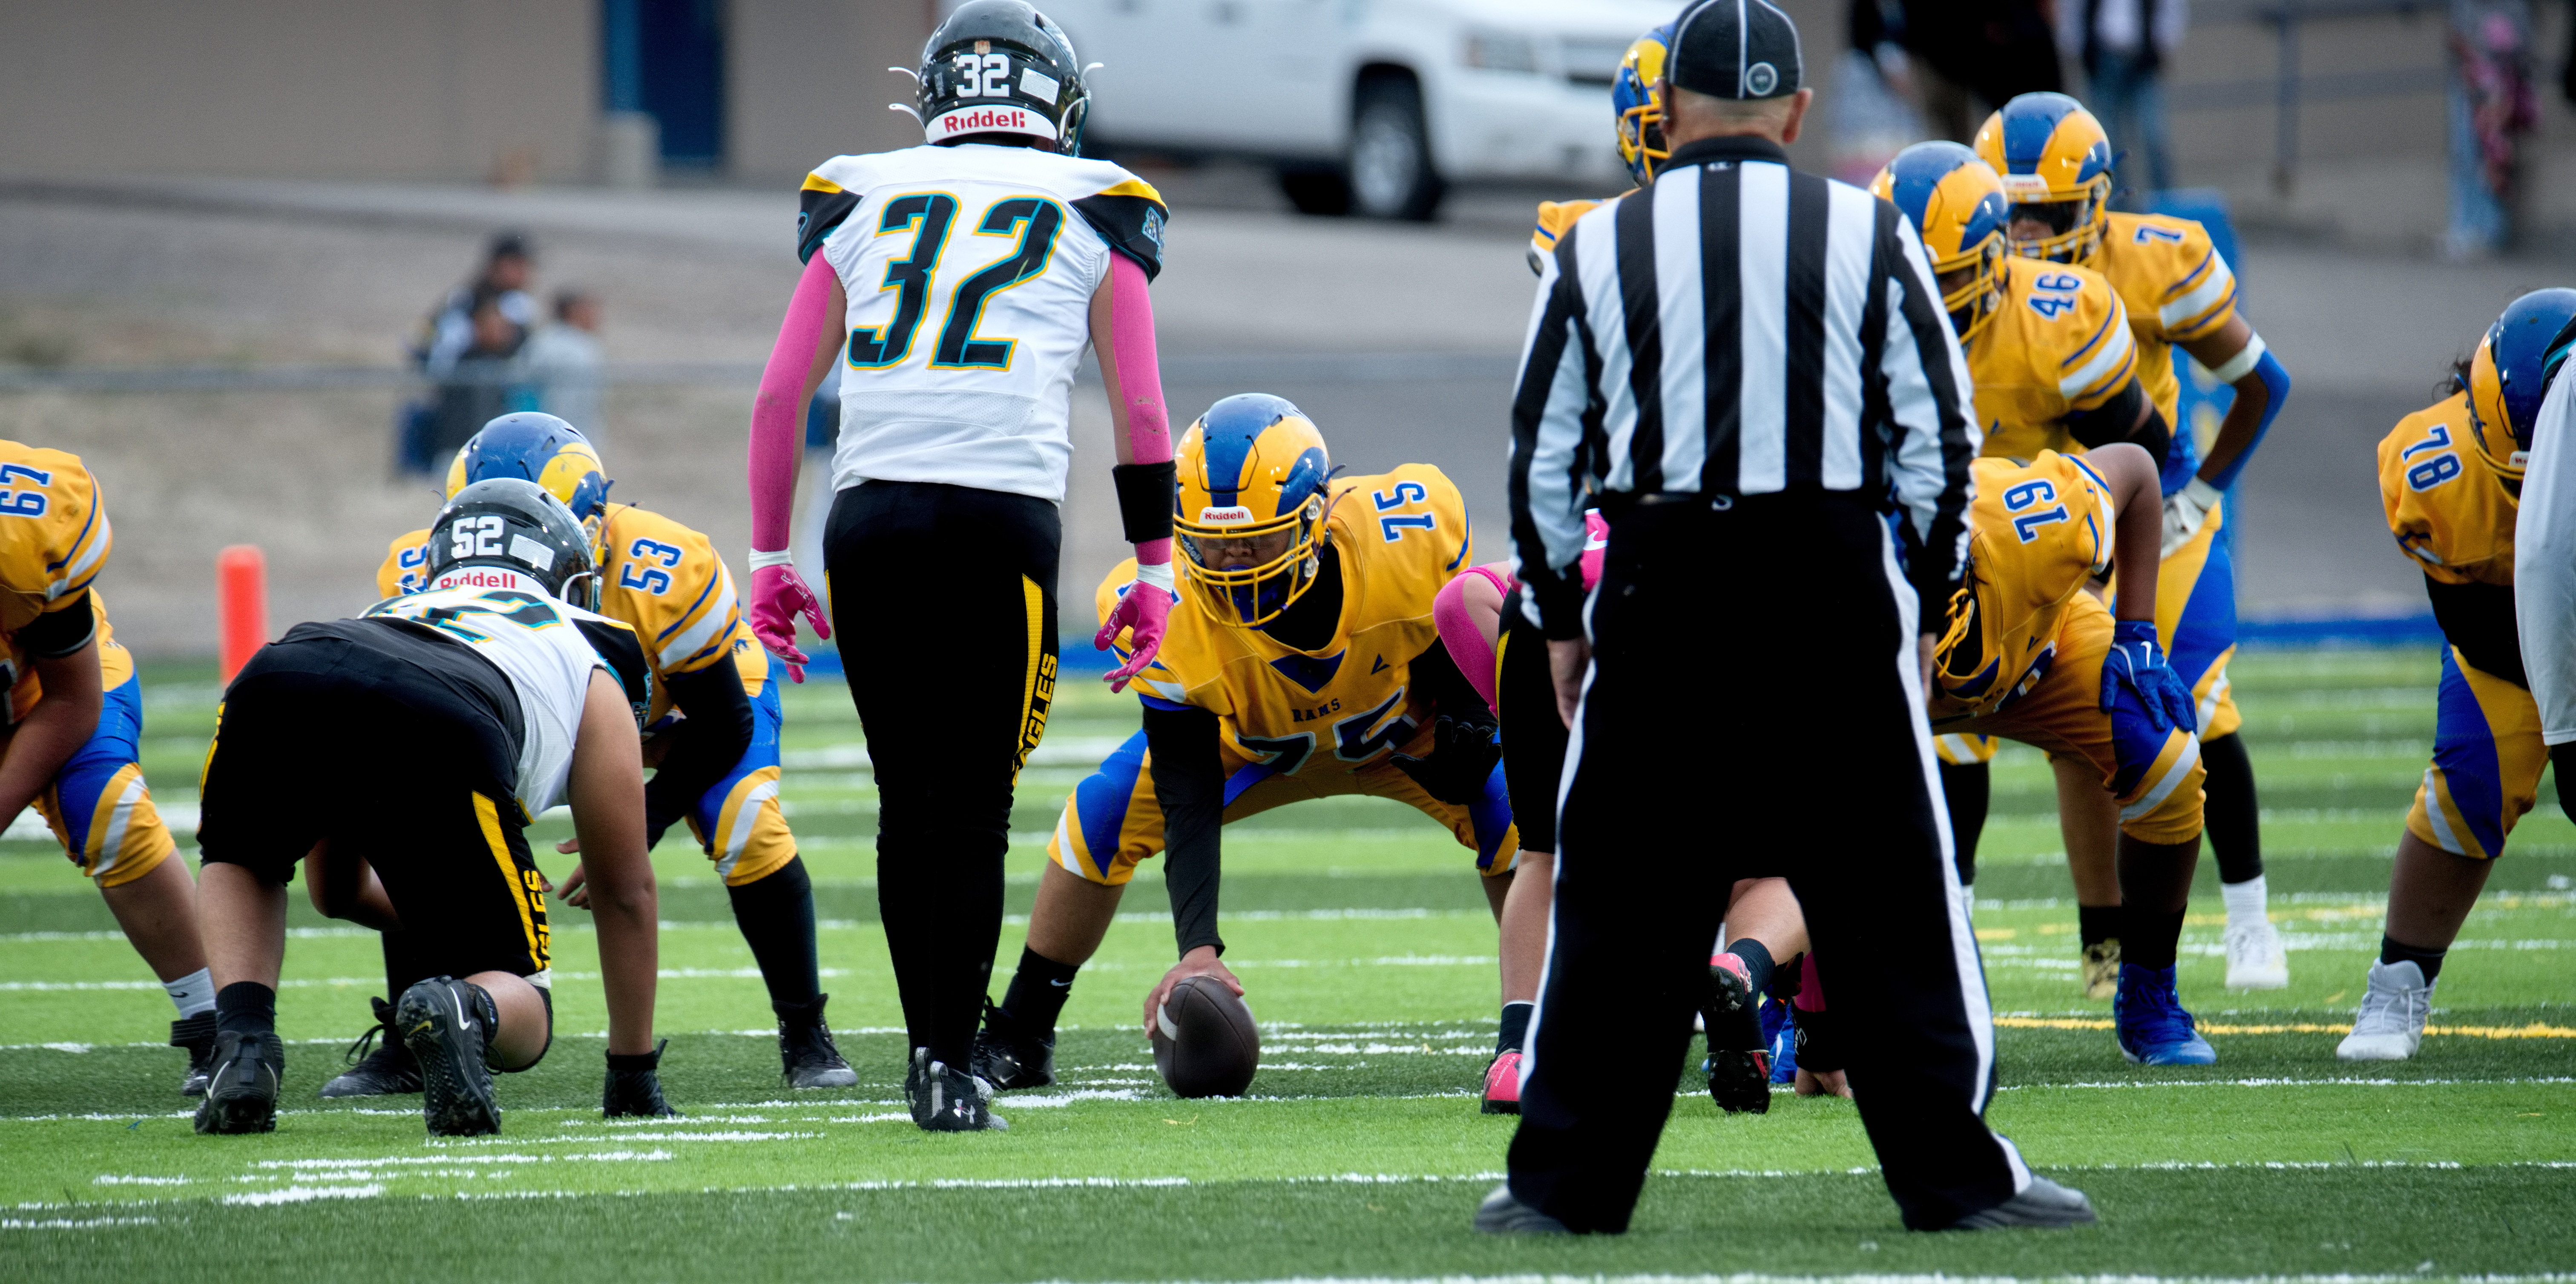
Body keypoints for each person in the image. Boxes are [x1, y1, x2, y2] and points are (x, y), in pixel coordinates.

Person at [1485, 0, 2090, 1235]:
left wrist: (1560, 617)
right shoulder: (1866, 229)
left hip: (1661, 574)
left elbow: (1542, 452)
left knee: (1620, 896)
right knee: (1894, 893)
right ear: (1799, 112)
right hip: (1826, 573)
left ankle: (1564, 1187)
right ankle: (1957, 1176)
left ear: (1669, 112)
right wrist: (1922, 598)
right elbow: (1940, 437)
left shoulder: (1600, 245)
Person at [741, 0, 1178, 1132]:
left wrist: (771, 554)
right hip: (1000, 521)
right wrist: (1156, 568)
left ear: (934, 98)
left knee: (908, 803)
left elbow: (782, 394)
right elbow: (1140, 411)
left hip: (869, 518)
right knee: (976, 806)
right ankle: (949, 1061)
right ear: (1055, 101)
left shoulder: (859, 191)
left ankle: (921, 1052)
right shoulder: (1098, 200)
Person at [972, 396, 1512, 1088]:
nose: (1232, 564)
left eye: (1255, 542)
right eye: (1211, 543)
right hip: (1247, 747)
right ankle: (1022, 1030)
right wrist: (1198, 947)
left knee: (1523, 806)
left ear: (1314, 520)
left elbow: (1451, 630)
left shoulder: (1402, 537)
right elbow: (1186, 779)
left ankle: (1543, 1022)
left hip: (1400, 732)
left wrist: (1471, 725)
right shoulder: (1167, 607)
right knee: (1098, 817)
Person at [341, 414, 856, 1097]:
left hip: (682, 708)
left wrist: (643, 818)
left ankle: (805, 1030)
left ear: (591, 523)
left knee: (745, 825)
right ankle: (412, 1040)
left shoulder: (667, 567)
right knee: (424, 819)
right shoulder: (414, 562)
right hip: (536, 709)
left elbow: (725, 723)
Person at [192, 480, 673, 1136]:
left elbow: (336, 891)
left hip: (283, 670)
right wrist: (632, 1070)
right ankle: (467, 1006)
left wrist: (447, 915)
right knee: (524, 1011)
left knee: (243, 854)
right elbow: (624, 890)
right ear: (566, 576)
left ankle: (244, 1043)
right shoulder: (585, 646)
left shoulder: (390, 608)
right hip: (448, 706)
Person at [1975, 92, 2295, 991]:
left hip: (2149, 499)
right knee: (2072, 729)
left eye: (2046, 213)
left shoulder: (2153, 259)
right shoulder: (1965, 282)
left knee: (2185, 704)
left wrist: (2202, 492)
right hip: (2031, 515)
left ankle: (2249, 922)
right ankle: (2103, 941)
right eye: (2010, 213)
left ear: (2094, 201)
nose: (2026, 234)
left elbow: (2261, 381)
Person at [1433, 523, 1814, 1116]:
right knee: (1790, 862)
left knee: (1545, 855)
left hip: (1546, 607)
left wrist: (1512, 721)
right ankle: (1741, 966)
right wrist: (1818, 1023)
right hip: (1699, 610)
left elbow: (1460, 599)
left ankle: (1516, 1057)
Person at [2343, 290, 2575, 1060]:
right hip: (2506, 643)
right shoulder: (2434, 471)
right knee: (2470, 782)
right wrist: (2562, 715)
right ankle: (2398, 982)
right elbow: (2468, 624)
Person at [0, 442, 211, 1096]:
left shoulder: (33, 541)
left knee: (107, 806)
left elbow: (72, 701)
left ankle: (217, 1020)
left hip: (47, 685)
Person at [2066, 0, 2185, 202]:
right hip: (2103, 57)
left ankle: (2166, 202)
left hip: (2142, 56)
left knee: (2154, 136)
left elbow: (2171, 11)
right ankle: (2117, 202)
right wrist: (2082, 48)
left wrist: (2159, 46)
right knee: (2107, 140)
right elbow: (2072, 12)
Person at [524, 289, 606, 439]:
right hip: (557, 430)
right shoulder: (562, 345)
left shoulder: (548, 340)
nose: (595, 315)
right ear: (573, 311)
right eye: (589, 309)